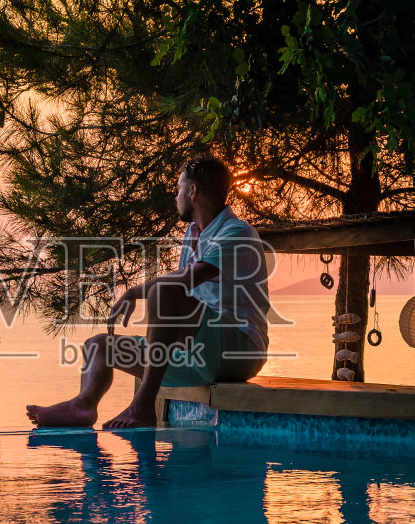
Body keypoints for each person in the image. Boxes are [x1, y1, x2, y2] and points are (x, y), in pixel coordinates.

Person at [25, 155, 272, 430]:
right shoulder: (193, 234)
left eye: (179, 188)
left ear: (193, 191)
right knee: (99, 347)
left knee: (165, 290)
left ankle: (143, 406)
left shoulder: (236, 232)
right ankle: (84, 406)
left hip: (238, 351)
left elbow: (186, 280)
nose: (176, 196)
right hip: (198, 353)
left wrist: (135, 292)